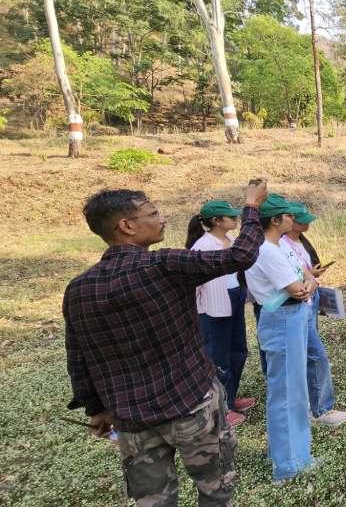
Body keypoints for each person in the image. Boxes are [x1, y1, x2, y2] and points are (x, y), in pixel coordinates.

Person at [63, 181, 266, 506]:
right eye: (153, 213)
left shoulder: (79, 288)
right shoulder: (164, 265)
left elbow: (78, 355)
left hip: (131, 420)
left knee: (153, 500)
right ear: (126, 226)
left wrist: (96, 408)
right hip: (192, 405)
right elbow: (241, 255)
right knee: (216, 489)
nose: (162, 219)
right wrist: (252, 205)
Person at [246, 193, 320, 483]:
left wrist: (308, 283)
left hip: (295, 316)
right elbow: (296, 288)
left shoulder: (283, 246)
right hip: (282, 319)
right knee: (286, 393)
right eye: (289, 216)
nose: (294, 219)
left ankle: (299, 453)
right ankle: (287, 462)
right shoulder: (265, 250)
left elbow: (308, 277)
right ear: (276, 220)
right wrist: (306, 285)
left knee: (296, 390)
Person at [185, 200, 255, 428]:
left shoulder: (231, 240)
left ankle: (231, 397)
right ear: (216, 221)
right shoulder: (204, 246)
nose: (235, 220)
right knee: (218, 357)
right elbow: (193, 285)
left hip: (233, 298)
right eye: (230, 216)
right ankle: (221, 408)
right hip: (214, 307)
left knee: (238, 350)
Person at [281, 204, 346, 428]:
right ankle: (320, 409)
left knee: (311, 354)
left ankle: (312, 403)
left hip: (309, 302)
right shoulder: (280, 245)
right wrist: (310, 280)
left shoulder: (299, 242)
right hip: (298, 303)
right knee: (315, 355)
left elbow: (305, 272)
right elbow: (295, 281)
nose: (307, 223)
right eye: (301, 220)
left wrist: (313, 276)